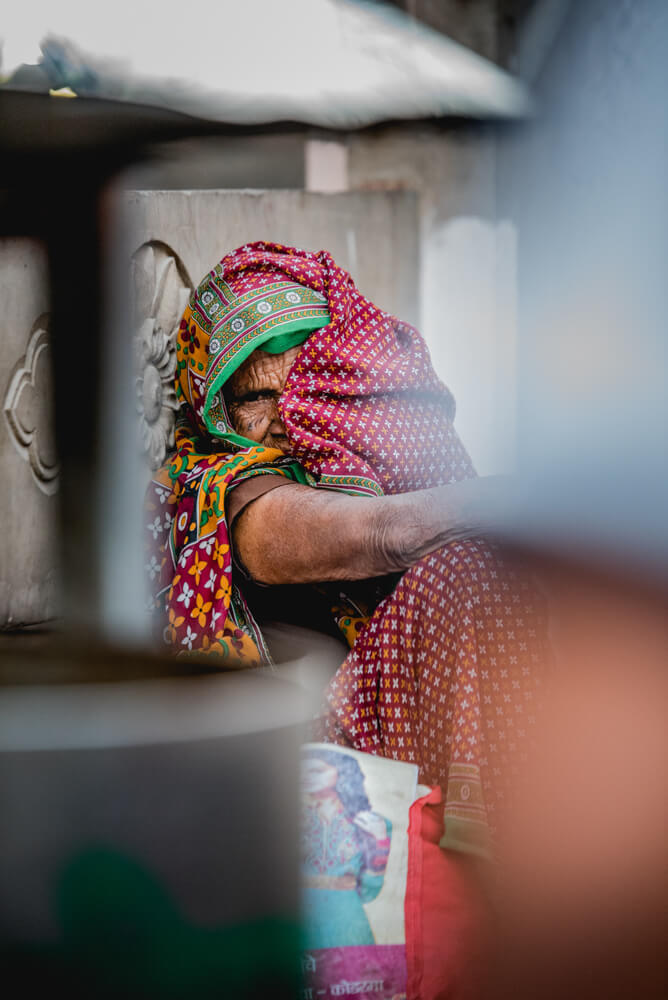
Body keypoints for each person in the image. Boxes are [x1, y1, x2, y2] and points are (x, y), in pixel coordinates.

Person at [146, 241, 549, 849]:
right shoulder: (221, 486)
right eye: (256, 397)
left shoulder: (359, 457)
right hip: (308, 765)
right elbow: (381, 533)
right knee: (464, 571)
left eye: (304, 380)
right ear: (216, 405)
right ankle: (510, 858)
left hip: (396, 728)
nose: (287, 412)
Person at [300, 748, 391, 949]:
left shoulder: (373, 824)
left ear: (341, 771)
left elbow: (368, 893)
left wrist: (380, 840)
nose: (306, 777)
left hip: (347, 925)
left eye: (316, 771)